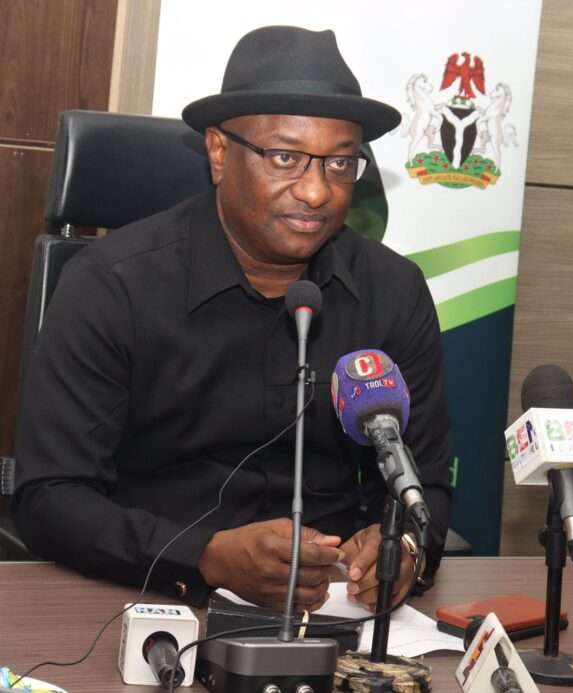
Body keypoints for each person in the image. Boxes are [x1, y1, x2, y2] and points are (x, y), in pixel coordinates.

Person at [13, 26, 453, 611]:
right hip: (147, 599)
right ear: (219, 153)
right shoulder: (111, 285)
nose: (317, 192)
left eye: (340, 163)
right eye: (286, 157)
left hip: (336, 609)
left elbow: (427, 481)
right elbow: (50, 498)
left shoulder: (393, 292)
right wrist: (203, 556)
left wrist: (404, 546)